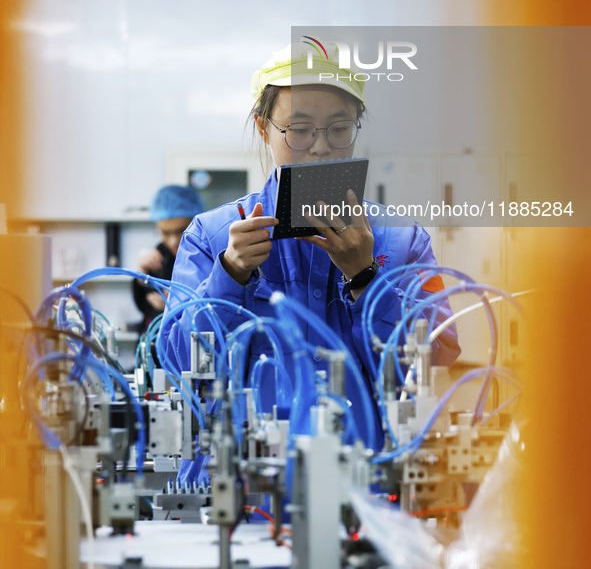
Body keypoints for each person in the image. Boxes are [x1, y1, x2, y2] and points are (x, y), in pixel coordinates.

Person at [162, 43, 460, 480]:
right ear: (265, 129)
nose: (320, 148)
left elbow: (438, 356)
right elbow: (176, 362)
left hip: (364, 482)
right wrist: (230, 274)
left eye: (339, 128)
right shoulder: (211, 237)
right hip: (240, 486)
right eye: (299, 129)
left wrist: (366, 278)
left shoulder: (400, 240)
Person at [133, 184, 206, 332]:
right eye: (166, 233)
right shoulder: (159, 254)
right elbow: (143, 306)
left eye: (181, 231)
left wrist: (174, 307)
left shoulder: (205, 256)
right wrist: (140, 279)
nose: (173, 241)